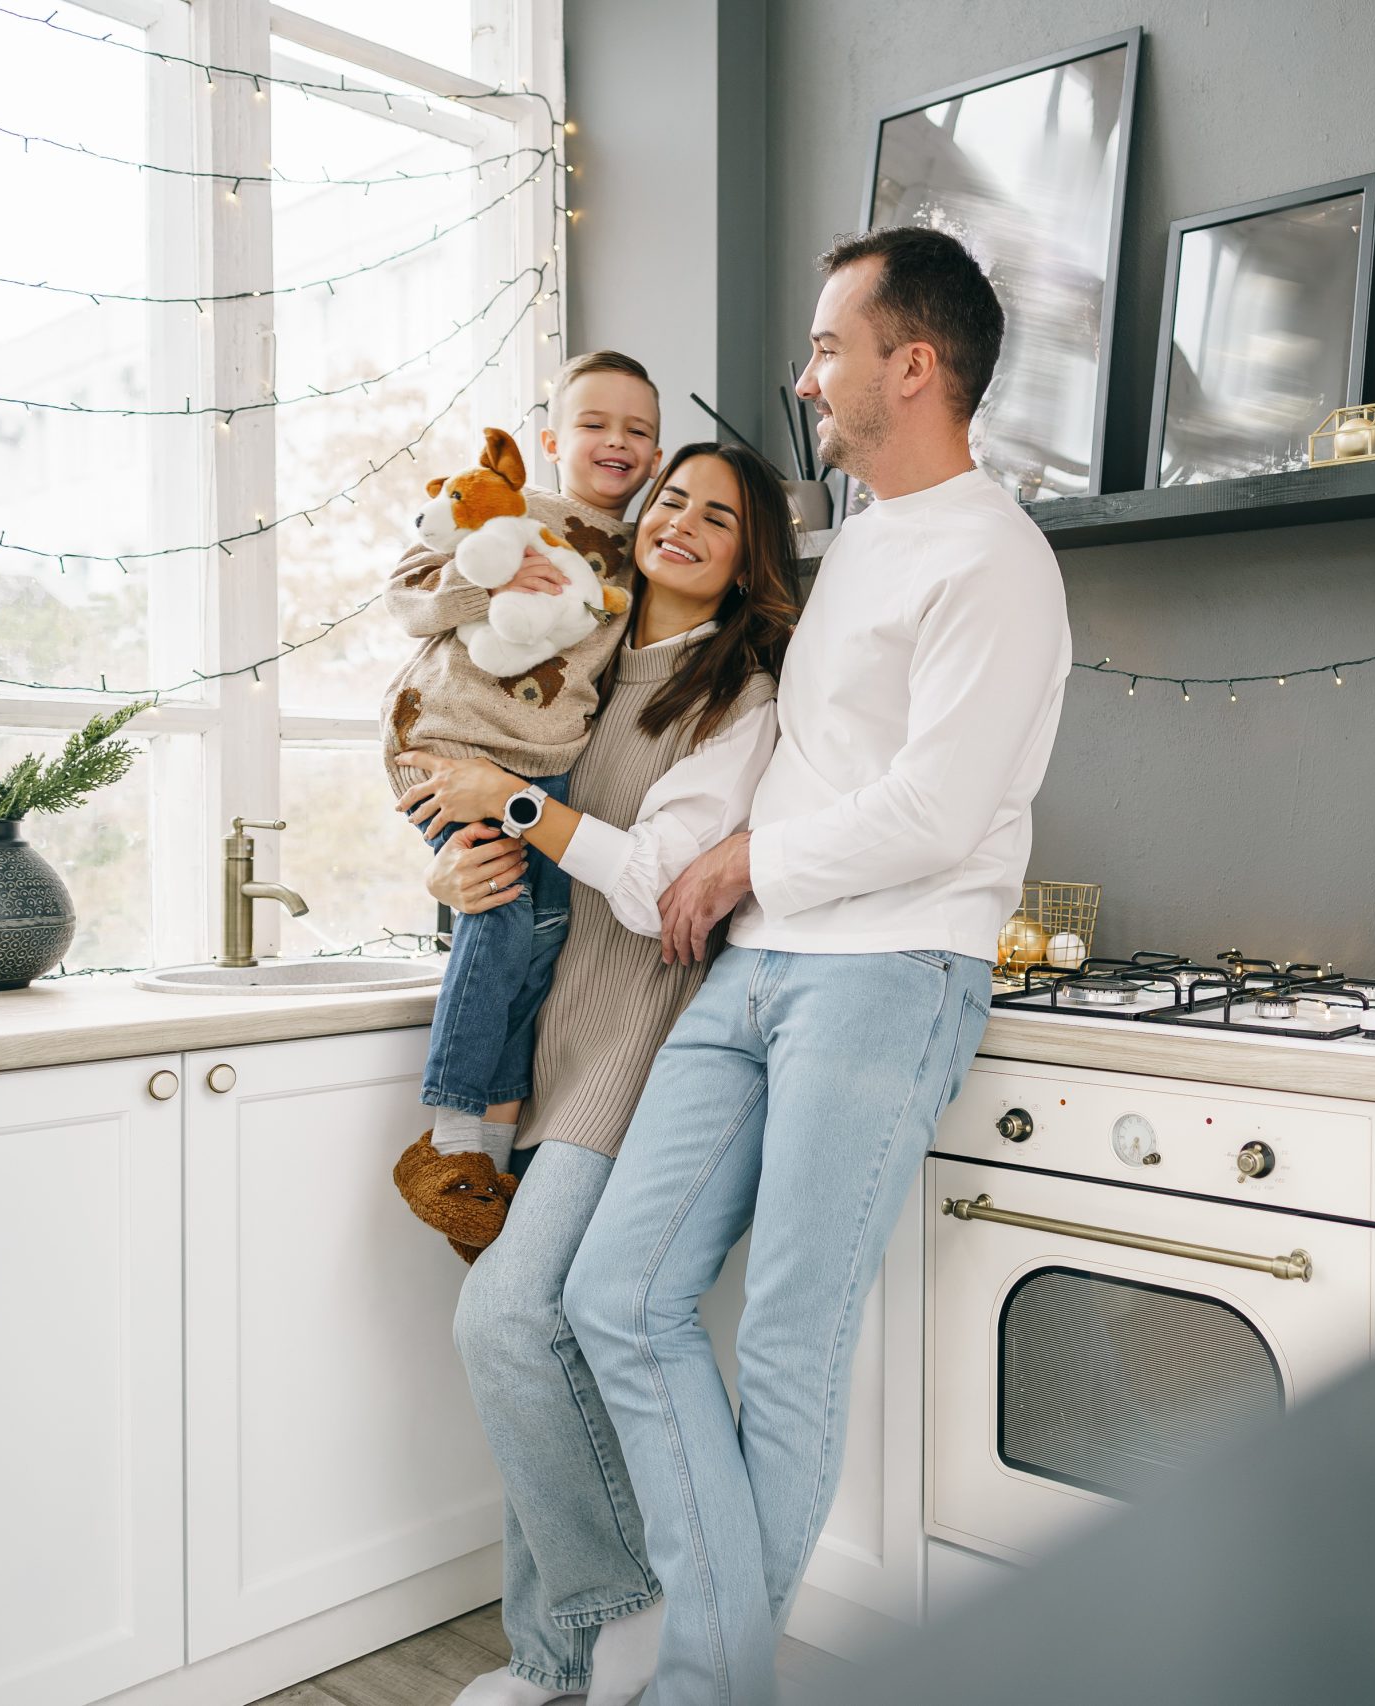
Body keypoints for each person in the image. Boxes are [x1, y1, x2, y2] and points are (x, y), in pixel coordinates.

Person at [563, 226, 1071, 1703]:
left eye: (830, 345)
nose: (806, 373)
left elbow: (942, 806)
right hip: (758, 967)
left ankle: (701, 1686)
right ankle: (720, 1666)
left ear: (913, 366)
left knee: (786, 1345)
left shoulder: (995, 556)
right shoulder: (849, 549)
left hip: (889, 970)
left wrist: (740, 866)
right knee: (617, 1293)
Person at [394, 441, 800, 1705]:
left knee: (506, 1318)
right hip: (536, 1043)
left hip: (635, 1042)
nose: (681, 520)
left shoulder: (742, 697)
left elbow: (655, 885)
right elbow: (471, 821)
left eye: (718, 516)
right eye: (671, 498)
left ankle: (631, 1606)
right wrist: (448, 867)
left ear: (750, 558)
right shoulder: (568, 655)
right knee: (533, 1353)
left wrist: (510, 805)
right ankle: (546, 1662)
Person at [380, 350, 666, 1256]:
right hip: (453, 743)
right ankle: (452, 1144)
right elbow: (406, 590)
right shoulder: (513, 511)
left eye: (638, 430)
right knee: (502, 925)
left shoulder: (645, 555)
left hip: (536, 770)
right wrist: (492, 583)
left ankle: (487, 1171)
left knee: (535, 953)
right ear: (549, 439)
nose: (616, 441)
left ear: (655, 455)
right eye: (594, 423)